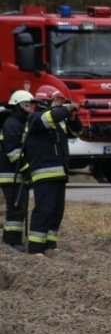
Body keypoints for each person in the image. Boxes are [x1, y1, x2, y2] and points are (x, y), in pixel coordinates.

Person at [23, 85, 82, 254]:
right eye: (56, 100)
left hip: (59, 173)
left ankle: (50, 245)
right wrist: (66, 109)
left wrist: (72, 117)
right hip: (44, 174)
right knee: (44, 210)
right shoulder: (35, 118)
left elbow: (77, 132)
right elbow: (49, 117)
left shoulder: (57, 120)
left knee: (56, 212)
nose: (59, 104)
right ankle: (35, 248)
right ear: (45, 102)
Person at [0, 90, 34, 252]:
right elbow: (13, 151)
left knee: (19, 209)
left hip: (17, 174)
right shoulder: (11, 125)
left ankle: (10, 238)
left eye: (30, 105)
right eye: (26, 105)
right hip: (10, 176)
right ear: (17, 106)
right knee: (15, 209)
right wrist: (27, 169)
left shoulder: (20, 124)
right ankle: (12, 242)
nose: (29, 108)